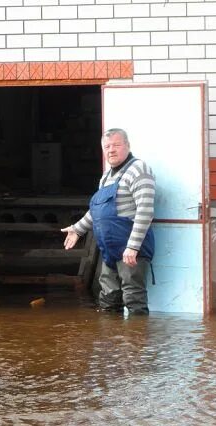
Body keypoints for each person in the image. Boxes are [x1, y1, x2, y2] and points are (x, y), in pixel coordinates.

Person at [61, 128, 155, 314]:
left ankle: (137, 340)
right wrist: (78, 229)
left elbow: (145, 211)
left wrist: (133, 247)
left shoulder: (138, 169)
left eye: (116, 145)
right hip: (110, 250)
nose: (111, 150)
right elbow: (97, 210)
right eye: (107, 147)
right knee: (109, 297)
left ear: (127, 146)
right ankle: (111, 340)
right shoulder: (106, 177)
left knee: (133, 297)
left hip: (130, 249)